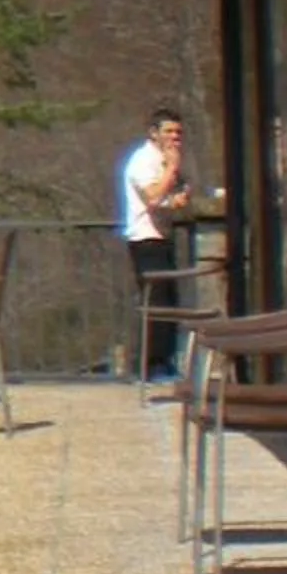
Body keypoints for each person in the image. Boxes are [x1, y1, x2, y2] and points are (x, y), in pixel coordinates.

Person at [122, 107, 194, 376]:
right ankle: (150, 367)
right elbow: (152, 196)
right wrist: (172, 168)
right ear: (154, 133)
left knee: (170, 303)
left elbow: (168, 198)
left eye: (178, 132)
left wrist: (180, 192)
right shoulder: (142, 161)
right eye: (169, 131)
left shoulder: (164, 162)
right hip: (146, 239)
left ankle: (164, 362)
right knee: (157, 305)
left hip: (162, 236)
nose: (175, 137)